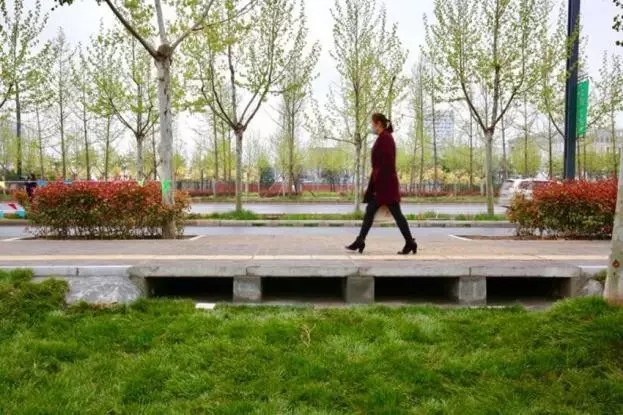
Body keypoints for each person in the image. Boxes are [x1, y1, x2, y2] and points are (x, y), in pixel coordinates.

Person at [346, 112, 417, 255]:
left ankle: (409, 242)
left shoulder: (385, 138)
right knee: (377, 212)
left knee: (392, 214)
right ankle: (361, 240)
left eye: (372, 123)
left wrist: (377, 185)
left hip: (385, 186)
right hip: (385, 185)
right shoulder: (384, 137)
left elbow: (386, 164)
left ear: (378, 123)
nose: (371, 126)